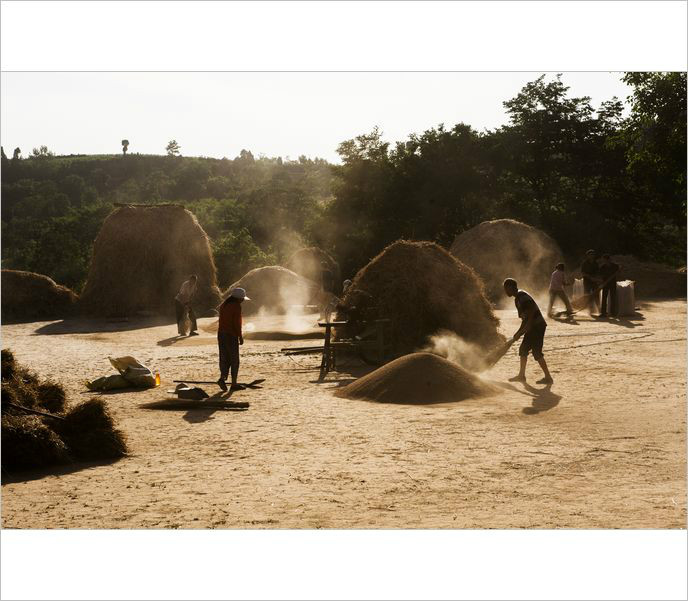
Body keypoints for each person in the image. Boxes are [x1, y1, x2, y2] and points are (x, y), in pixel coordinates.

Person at [503, 278, 553, 384]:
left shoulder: (522, 296)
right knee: (523, 350)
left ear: (510, 287)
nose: (505, 291)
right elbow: (524, 318)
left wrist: (527, 326)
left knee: (536, 352)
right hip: (532, 327)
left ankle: (548, 377)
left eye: (505, 288)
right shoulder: (518, 299)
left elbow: (531, 311)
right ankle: (521, 375)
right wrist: (519, 332)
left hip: (537, 326)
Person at [217, 287, 250, 392]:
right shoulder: (236, 306)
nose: (243, 300)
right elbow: (237, 323)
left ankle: (222, 378)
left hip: (221, 334)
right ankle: (234, 384)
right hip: (230, 335)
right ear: (239, 298)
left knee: (224, 358)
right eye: (242, 299)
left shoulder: (224, 305)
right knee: (234, 359)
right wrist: (240, 336)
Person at [580, 249, 601, 315]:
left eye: (593, 254)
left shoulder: (596, 263)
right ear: (587, 256)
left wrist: (597, 279)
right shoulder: (584, 263)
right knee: (587, 295)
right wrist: (590, 277)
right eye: (591, 254)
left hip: (594, 282)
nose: (592, 256)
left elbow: (598, 272)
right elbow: (583, 273)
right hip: (587, 282)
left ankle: (599, 309)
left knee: (596, 295)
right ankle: (590, 310)